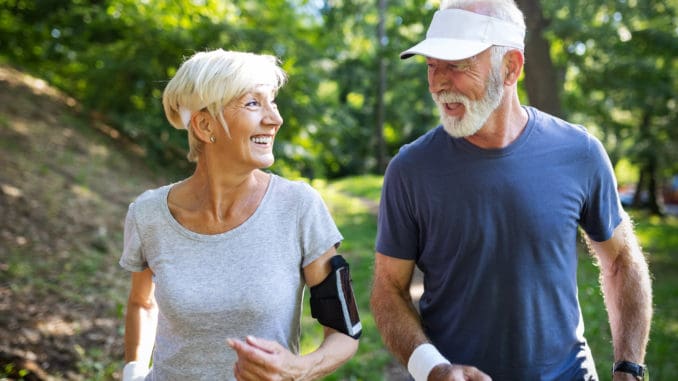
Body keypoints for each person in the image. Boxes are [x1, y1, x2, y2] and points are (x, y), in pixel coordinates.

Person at [370, 1, 652, 380]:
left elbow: (621, 261)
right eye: (431, 65)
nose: (438, 81)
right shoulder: (410, 170)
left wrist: (629, 368)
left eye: (457, 65)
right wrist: (432, 368)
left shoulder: (579, 152)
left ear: (511, 68)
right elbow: (388, 289)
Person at [119, 49, 360, 381]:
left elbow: (344, 330)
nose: (275, 119)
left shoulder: (299, 207)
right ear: (204, 125)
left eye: (272, 102)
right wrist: (133, 372)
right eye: (253, 103)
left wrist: (299, 369)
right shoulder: (148, 215)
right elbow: (143, 304)